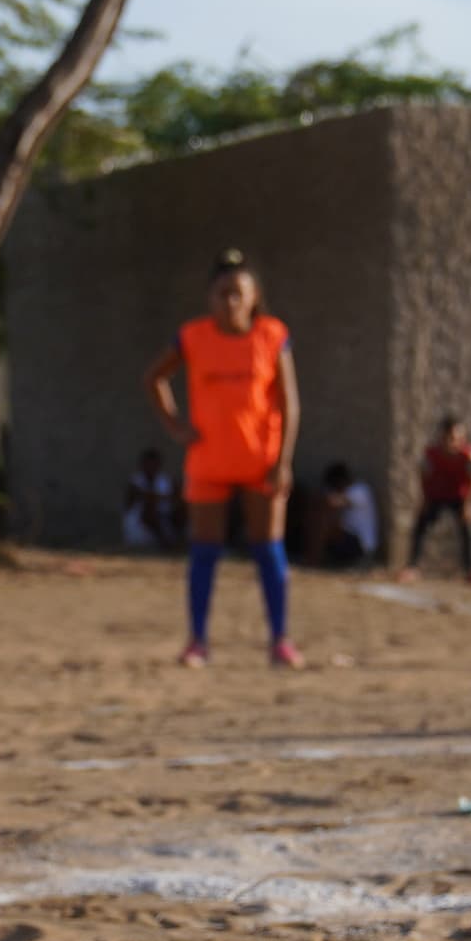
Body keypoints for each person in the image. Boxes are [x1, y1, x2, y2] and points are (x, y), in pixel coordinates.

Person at [145, 250, 300, 668]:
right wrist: (176, 426)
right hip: (209, 462)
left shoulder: (271, 336)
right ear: (209, 297)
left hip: (260, 460)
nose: (229, 302)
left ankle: (280, 639)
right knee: (204, 551)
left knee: (269, 549)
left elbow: (289, 403)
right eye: (220, 293)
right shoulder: (193, 337)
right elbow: (155, 377)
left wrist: (283, 460)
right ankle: (198, 640)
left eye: (237, 293)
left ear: (254, 296)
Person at [408, 414, 471, 585]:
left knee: (468, 527)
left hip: (459, 497)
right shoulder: (432, 454)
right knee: (421, 523)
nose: (453, 442)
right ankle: (412, 567)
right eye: (449, 438)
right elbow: (423, 475)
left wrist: (469, 505)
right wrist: (425, 499)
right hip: (437, 496)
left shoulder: (470, 455)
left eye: (457, 438)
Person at [319, 462, 380, 570]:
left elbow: (334, 502)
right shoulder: (350, 491)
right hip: (352, 541)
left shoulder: (360, 490)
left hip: (362, 545)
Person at [121, 449, 180, 551]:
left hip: (165, 522)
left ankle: (180, 542)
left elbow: (178, 498)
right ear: (142, 465)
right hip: (139, 529)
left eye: (154, 464)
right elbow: (146, 497)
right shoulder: (135, 482)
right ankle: (166, 544)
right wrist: (164, 497)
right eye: (148, 464)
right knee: (150, 508)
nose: (151, 467)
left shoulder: (165, 481)